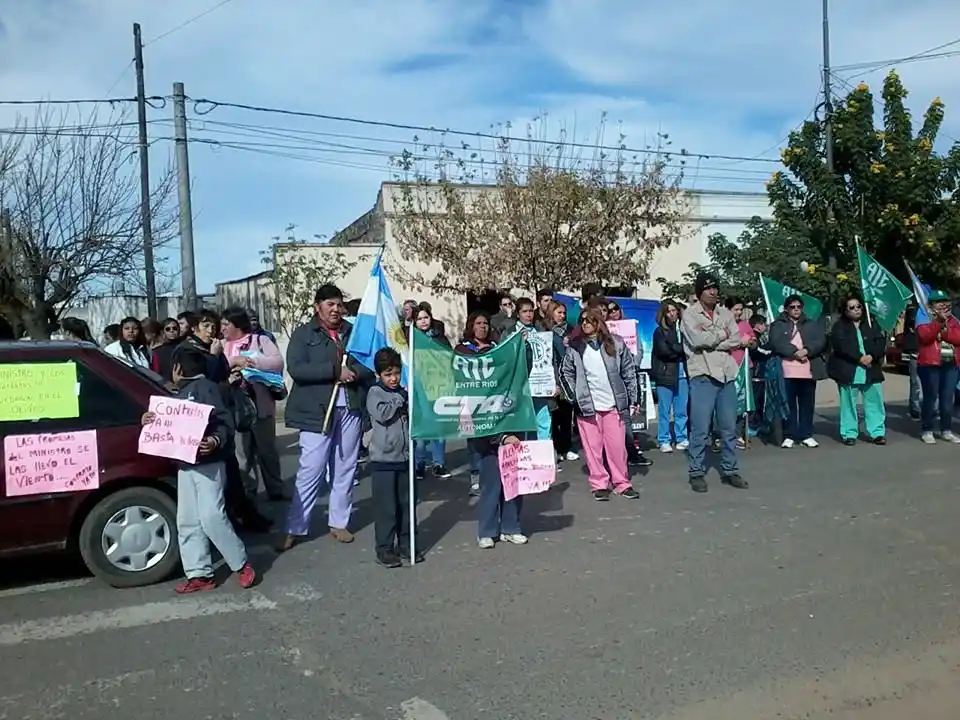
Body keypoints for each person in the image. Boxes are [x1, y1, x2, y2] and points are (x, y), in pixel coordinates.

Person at [141, 347, 256, 593]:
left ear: (178, 369)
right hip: (185, 465)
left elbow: (224, 421)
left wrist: (215, 440)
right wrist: (149, 421)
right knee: (188, 520)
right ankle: (199, 573)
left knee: (212, 516)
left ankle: (240, 562)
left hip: (208, 465)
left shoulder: (206, 389)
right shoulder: (177, 394)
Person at [278, 284, 372, 551]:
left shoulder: (353, 334)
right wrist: (334, 371)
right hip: (316, 412)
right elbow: (297, 368)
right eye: (329, 304)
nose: (335, 309)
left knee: (345, 466)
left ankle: (339, 522)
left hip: (350, 407)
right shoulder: (303, 334)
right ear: (317, 306)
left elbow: (369, 363)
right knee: (312, 468)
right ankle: (295, 525)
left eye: (338, 304)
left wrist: (354, 372)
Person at [560, 308, 641, 501]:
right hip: (588, 408)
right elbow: (565, 373)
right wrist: (574, 397)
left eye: (590, 320)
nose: (586, 324)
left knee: (616, 447)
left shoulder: (616, 343)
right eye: (583, 321)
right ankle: (599, 484)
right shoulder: (575, 347)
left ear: (598, 322)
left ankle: (622, 483)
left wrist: (633, 398)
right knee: (593, 449)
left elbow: (629, 372)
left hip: (613, 406)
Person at [680, 272, 748, 493]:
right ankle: (696, 472)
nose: (713, 291)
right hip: (702, 376)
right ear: (700, 291)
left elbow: (736, 339)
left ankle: (730, 470)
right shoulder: (690, 315)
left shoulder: (726, 313)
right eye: (708, 288)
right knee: (700, 429)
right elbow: (698, 340)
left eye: (715, 287)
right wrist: (721, 335)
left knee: (729, 428)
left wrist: (712, 339)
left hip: (726, 375)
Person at [221, 306, 287, 501]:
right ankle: (248, 492)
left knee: (267, 451)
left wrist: (252, 362)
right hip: (236, 409)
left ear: (237, 325)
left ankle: (275, 489)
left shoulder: (261, 340)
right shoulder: (222, 346)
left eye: (226, 324)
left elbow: (277, 362)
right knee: (242, 454)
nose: (222, 328)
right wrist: (232, 364)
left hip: (261, 405)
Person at [367, 347, 421, 567]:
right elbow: (382, 414)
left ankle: (407, 544)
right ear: (379, 375)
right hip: (383, 461)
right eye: (388, 374)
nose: (393, 378)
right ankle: (385, 548)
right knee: (387, 509)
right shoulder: (375, 393)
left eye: (396, 373)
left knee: (406, 507)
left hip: (405, 459)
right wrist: (400, 399)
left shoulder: (404, 393)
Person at [769, 295, 827, 449]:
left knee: (807, 404)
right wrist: (795, 352)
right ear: (786, 309)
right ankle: (789, 435)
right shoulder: (778, 324)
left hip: (807, 371)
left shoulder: (811, 324)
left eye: (799, 307)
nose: (796, 310)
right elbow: (776, 342)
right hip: (787, 371)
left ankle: (806, 434)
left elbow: (820, 341)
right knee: (789, 405)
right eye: (792, 307)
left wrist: (807, 350)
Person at [828, 295, 887, 446]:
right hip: (849, 370)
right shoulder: (839, 326)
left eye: (858, 306)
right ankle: (849, 433)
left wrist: (872, 356)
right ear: (845, 311)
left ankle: (877, 433)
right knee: (848, 404)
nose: (856, 310)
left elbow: (880, 342)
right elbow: (841, 346)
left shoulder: (871, 323)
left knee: (874, 402)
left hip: (871, 370)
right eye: (851, 307)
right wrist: (859, 358)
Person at [456, 311, 499, 497]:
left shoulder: (497, 347)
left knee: (492, 440)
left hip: (491, 402)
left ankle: (492, 476)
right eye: (479, 323)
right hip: (469, 402)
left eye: (485, 323)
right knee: (473, 442)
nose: (483, 326)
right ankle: (475, 476)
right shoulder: (462, 349)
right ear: (471, 326)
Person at [412, 303, 452, 479]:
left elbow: (449, 360)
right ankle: (419, 464)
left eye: (425, 317)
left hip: (438, 388)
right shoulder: (411, 339)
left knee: (439, 427)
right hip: (419, 388)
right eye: (419, 319)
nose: (423, 321)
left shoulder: (440, 338)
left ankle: (438, 463)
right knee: (421, 427)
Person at [915, 289, 960, 444]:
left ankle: (946, 429)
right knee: (930, 398)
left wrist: (945, 334)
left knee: (948, 399)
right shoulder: (923, 317)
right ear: (932, 305)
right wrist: (938, 323)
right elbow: (925, 336)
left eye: (945, 301)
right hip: (930, 364)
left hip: (951, 364)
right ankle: (927, 429)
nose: (944, 305)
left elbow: (958, 338)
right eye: (939, 302)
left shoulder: (953, 320)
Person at [544, 300, 578, 463]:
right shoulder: (545, 331)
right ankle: (555, 447)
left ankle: (566, 447)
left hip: (568, 376)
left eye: (564, 313)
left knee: (567, 414)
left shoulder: (570, 330)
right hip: (552, 377)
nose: (562, 316)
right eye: (559, 312)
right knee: (553, 415)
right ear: (551, 313)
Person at [651, 300, 688, 453]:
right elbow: (664, 351)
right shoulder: (659, 332)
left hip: (683, 374)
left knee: (681, 410)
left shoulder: (682, 330)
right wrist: (679, 349)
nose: (672, 313)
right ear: (664, 313)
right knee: (665, 411)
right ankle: (664, 439)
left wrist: (678, 348)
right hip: (665, 374)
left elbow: (688, 348)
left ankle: (681, 437)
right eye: (669, 311)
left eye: (674, 310)